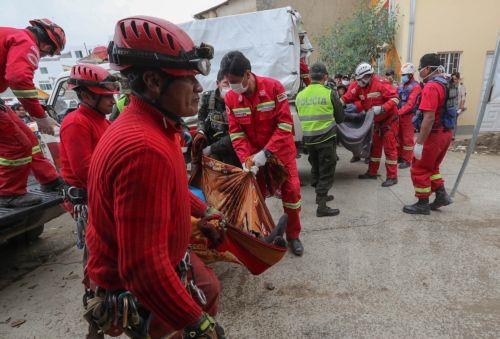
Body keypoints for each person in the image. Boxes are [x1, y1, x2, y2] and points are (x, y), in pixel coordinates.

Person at [85, 16, 225, 338]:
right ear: (152, 81)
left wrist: (207, 211)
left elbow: (172, 188)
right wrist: (197, 324)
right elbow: (144, 270)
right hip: (142, 287)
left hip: (171, 260)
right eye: (189, 78)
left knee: (210, 287)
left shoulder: (156, 125)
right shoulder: (145, 148)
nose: (199, 88)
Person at [222, 51, 304, 256]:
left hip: (280, 153)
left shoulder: (274, 87)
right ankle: (264, 234)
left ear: (247, 74)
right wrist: (246, 160)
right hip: (253, 157)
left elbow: (285, 125)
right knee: (255, 196)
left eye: (234, 81)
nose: (232, 87)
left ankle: (293, 235)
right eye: (228, 82)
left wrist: (266, 153)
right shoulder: (231, 98)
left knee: (292, 194)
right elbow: (236, 132)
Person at [0, 19, 66, 208]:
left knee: (29, 139)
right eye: (46, 54)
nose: (42, 57)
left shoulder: (12, 36)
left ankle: (49, 179)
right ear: (45, 45)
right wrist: (39, 116)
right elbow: (19, 79)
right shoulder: (25, 41)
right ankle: (8, 194)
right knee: (17, 144)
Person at [59, 64, 119, 251]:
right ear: (86, 96)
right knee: (102, 253)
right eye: (107, 96)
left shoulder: (101, 120)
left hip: (102, 193)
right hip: (91, 198)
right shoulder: (76, 123)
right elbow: (85, 170)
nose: (113, 101)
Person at [403, 53, 453, 215]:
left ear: (429, 69)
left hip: (434, 134)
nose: (419, 72)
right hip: (445, 133)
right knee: (433, 167)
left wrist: (419, 143)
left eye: (420, 69)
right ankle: (441, 195)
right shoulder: (447, 82)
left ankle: (422, 203)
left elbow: (429, 117)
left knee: (419, 168)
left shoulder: (431, 87)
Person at [295, 62, 344, 217]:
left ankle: (319, 195)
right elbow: (340, 117)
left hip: (309, 140)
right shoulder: (329, 93)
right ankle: (322, 206)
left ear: (310, 77)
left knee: (315, 167)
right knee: (327, 170)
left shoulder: (300, 95)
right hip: (326, 138)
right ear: (325, 77)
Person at [340, 62, 400, 187]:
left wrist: (383, 108)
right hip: (376, 121)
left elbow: (395, 98)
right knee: (374, 148)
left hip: (389, 120)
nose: (358, 82)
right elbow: (349, 96)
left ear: (368, 76)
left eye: (360, 79)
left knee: (390, 149)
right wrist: (339, 103)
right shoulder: (360, 84)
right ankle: (372, 172)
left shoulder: (381, 84)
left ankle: (392, 177)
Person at [197, 70, 240, 167]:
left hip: (233, 149)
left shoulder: (239, 100)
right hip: (212, 146)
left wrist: (210, 149)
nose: (229, 87)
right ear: (218, 83)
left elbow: (237, 134)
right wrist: (201, 131)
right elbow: (201, 117)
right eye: (226, 83)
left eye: (232, 84)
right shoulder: (207, 98)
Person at [397, 62, 422, 169]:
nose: (402, 77)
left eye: (404, 75)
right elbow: (396, 96)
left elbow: (410, 104)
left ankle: (407, 160)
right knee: (398, 137)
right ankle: (400, 156)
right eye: (402, 75)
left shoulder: (416, 87)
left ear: (411, 75)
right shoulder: (401, 85)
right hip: (399, 114)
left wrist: (397, 113)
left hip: (408, 116)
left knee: (407, 138)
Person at [451, 71, 466, 139]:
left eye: (455, 79)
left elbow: (463, 97)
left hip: (457, 107)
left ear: (458, 79)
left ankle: (452, 135)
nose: (454, 80)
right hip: (450, 106)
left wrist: (461, 106)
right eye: (453, 79)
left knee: (454, 120)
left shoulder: (461, 86)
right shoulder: (451, 85)